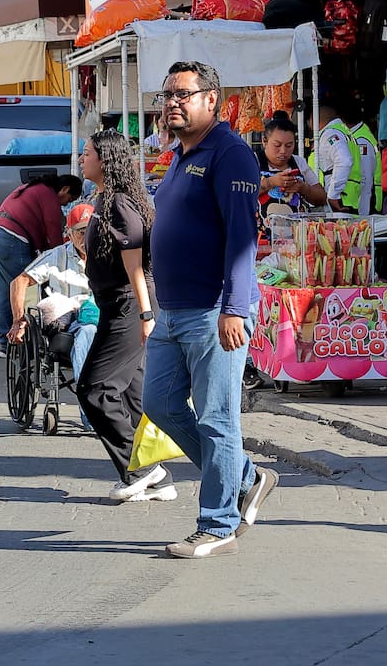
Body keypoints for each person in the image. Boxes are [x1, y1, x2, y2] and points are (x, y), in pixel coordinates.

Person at [141, 60, 278, 559]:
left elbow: (242, 238)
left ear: (211, 99)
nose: (171, 102)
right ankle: (244, 476)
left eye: (182, 94)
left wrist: (235, 308)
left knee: (218, 418)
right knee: (159, 405)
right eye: (167, 95)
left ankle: (218, 522)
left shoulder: (232, 154)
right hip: (173, 310)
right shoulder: (181, 154)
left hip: (214, 309)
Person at [76, 130, 175, 503]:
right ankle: (159, 479)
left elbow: (135, 265)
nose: (82, 159)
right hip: (115, 304)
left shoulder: (118, 203)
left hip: (129, 307)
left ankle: (141, 470)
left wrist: (146, 314)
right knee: (134, 395)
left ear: (106, 160)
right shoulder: (104, 199)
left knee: (94, 389)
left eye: (87, 153)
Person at [6, 203, 97, 427]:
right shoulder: (56, 256)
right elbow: (19, 282)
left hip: (100, 318)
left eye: (91, 230)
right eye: (81, 232)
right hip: (66, 321)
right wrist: (19, 320)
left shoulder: (107, 255)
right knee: (87, 332)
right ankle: (92, 414)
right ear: (69, 234)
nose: (86, 237)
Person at [0, 174, 84, 357]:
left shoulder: (31, 188)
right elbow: (54, 233)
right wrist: (60, 257)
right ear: (65, 189)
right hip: (13, 240)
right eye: (68, 200)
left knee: (3, 292)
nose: (64, 205)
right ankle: (27, 344)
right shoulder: (49, 195)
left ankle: (5, 346)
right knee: (25, 289)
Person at [256, 112, 326, 240]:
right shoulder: (252, 161)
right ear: (264, 141)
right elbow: (239, 196)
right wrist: (270, 183)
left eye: (289, 146)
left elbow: (321, 198)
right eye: (277, 145)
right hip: (260, 239)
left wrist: (303, 188)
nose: (283, 151)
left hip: (297, 240)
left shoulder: (299, 163)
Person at [308, 104, 358, 213]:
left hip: (339, 200)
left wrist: (333, 195)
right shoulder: (345, 132)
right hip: (348, 196)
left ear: (315, 120)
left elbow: (344, 160)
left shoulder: (330, 134)